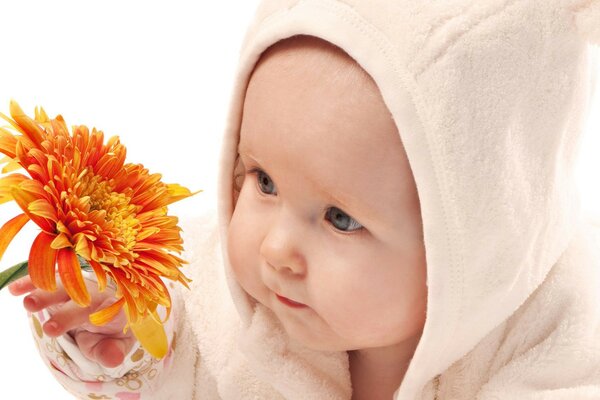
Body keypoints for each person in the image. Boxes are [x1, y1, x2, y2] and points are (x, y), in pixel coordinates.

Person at [7, 0, 600, 399]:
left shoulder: (561, 347)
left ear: (476, 239)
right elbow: (180, 355)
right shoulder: (238, 288)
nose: (276, 247)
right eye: (263, 180)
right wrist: (124, 327)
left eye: (340, 219)